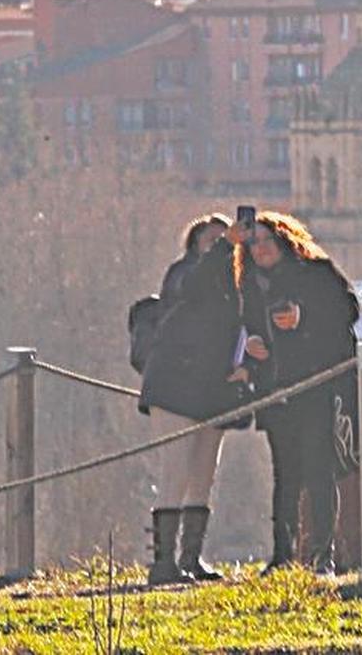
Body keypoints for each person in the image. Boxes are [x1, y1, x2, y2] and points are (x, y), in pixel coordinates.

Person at [230, 212, 359, 575]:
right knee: (285, 475)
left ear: (286, 241)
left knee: (319, 470)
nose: (261, 250)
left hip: (315, 385)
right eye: (254, 243)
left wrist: (303, 317)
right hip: (275, 389)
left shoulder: (315, 271)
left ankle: (322, 555)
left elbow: (348, 309)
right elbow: (249, 328)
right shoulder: (250, 284)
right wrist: (251, 346)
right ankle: (283, 555)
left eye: (269, 241)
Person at [137, 213, 248, 585]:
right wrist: (223, 248)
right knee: (175, 472)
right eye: (213, 241)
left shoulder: (236, 287)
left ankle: (191, 558)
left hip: (213, 390)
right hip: (175, 387)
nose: (223, 245)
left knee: (203, 475)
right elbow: (195, 284)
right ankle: (164, 561)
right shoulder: (182, 274)